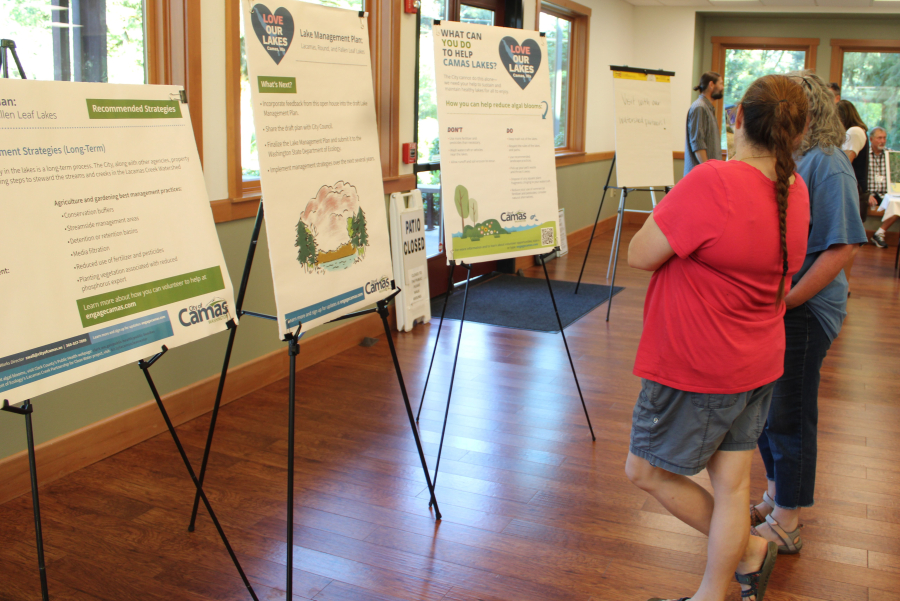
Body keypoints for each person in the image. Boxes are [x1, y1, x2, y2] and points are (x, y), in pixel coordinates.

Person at [626, 74, 810, 601]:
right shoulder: (793, 190)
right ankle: (726, 578)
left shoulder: (713, 182)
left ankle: (747, 553)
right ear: (793, 136)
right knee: (731, 488)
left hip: (700, 366)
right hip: (756, 362)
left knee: (644, 471)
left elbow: (640, 254)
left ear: (735, 119)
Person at [752, 71, 867, 557]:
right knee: (767, 410)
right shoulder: (793, 156)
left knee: (790, 413)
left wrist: (791, 300)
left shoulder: (828, 163)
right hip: (782, 303)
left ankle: (788, 520)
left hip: (806, 307)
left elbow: (842, 248)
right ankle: (779, 492)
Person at [684, 71, 724, 176]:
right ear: (711, 85)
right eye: (720, 83)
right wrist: (708, 170)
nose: (722, 87)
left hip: (707, 174)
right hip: (701, 176)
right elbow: (697, 143)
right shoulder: (699, 107)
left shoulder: (708, 108)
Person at [868, 127, 893, 248]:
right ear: (871, 139)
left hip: (886, 194)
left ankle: (879, 233)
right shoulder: (863, 156)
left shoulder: (890, 154)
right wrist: (866, 195)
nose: (882, 141)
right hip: (869, 193)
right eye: (879, 138)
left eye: (884, 138)